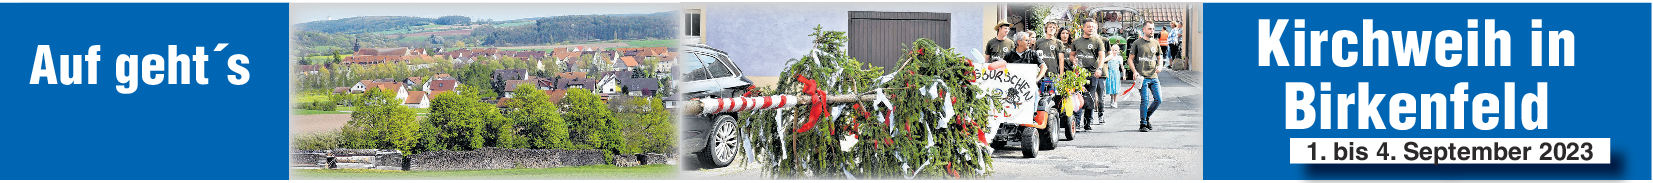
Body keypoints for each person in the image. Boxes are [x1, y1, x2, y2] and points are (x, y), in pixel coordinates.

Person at [1126, 23, 1163, 132]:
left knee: (1158, 100)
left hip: (1154, 76)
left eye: (1153, 29)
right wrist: (1134, 71)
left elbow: (1159, 57)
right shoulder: (1137, 43)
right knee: (1145, 100)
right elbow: (1130, 59)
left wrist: (1160, 66)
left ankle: (1146, 117)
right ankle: (1143, 124)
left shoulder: (1156, 43)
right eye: (1149, 29)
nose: (1152, 31)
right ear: (1144, 30)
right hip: (1142, 77)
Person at [1071, 19, 1106, 131]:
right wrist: (1073, 60)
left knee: (1090, 98)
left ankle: (1088, 122)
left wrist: (1099, 69)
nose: (1091, 28)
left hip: (1092, 74)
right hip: (1079, 75)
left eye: (1093, 26)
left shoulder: (1098, 41)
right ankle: (1076, 122)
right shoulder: (1077, 41)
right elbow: (1072, 55)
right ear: (1083, 28)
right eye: (1089, 26)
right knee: (1078, 98)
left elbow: (1102, 56)